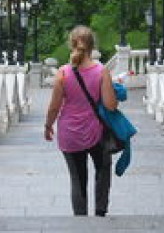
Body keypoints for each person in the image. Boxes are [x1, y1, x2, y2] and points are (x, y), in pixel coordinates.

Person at [43, 25, 119, 216]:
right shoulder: (102, 71)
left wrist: (48, 126)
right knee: (103, 171)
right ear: (92, 46)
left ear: (71, 45)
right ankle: (100, 212)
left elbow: (54, 106)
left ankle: (81, 220)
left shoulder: (63, 73)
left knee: (77, 179)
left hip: (70, 133)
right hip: (97, 132)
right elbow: (111, 106)